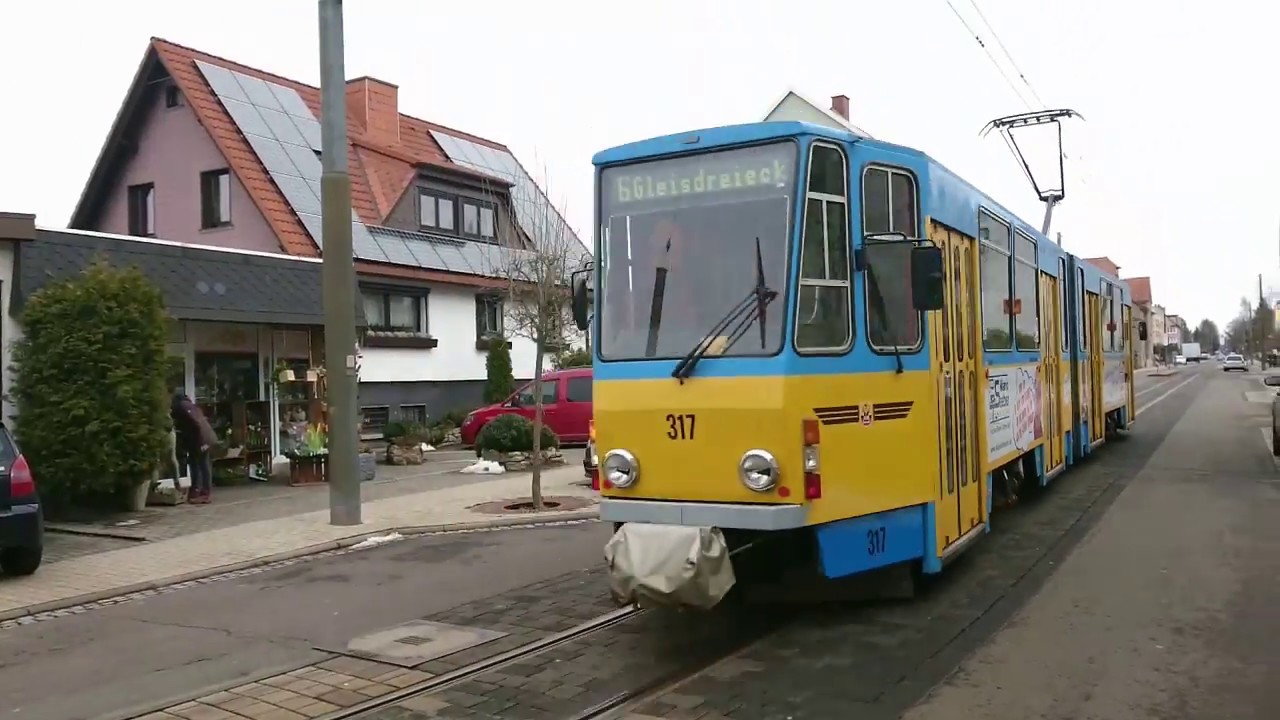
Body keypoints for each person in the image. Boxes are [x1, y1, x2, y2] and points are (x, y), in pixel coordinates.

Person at [170, 391, 217, 504]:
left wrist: (200, 443)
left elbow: (195, 424)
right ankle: (198, 491)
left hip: (200, 440)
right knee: (199, 464)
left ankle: (202, 493)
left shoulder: (181, 407)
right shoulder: (192, 406)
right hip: (205, 438)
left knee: (199, 465)